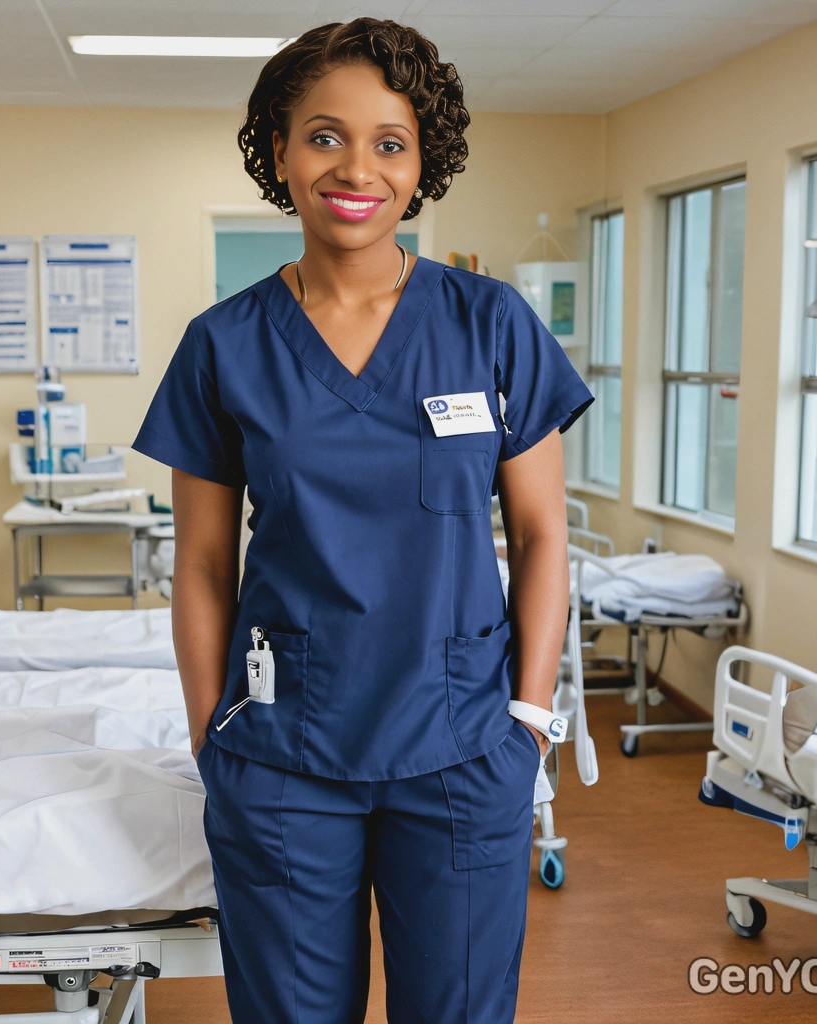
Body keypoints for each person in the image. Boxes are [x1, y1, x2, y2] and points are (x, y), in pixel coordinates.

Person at [133, 17, 592, 1024]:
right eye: (323, 136)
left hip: (463, 745)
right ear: (279, 152)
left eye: (390, 142)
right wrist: (214, 736)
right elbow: (201, 562)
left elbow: (541, 536)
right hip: (282, 755)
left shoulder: (491, 324)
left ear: (423, 164)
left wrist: (527, 719)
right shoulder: (224, 345)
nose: (356, 168)